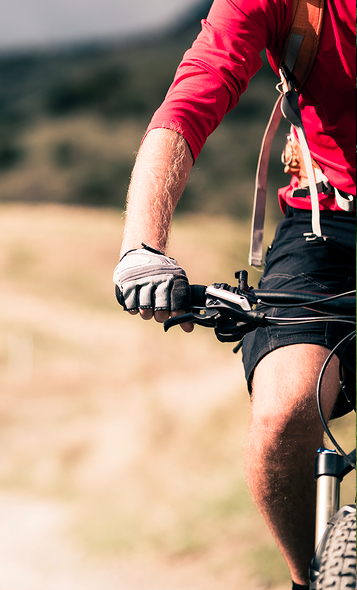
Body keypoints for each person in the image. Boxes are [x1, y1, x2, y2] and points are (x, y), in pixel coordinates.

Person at [112, 0, 356, 588]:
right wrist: (142, 246)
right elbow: (190, 102)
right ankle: (314, 579)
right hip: (329, 224)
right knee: (282, 412)